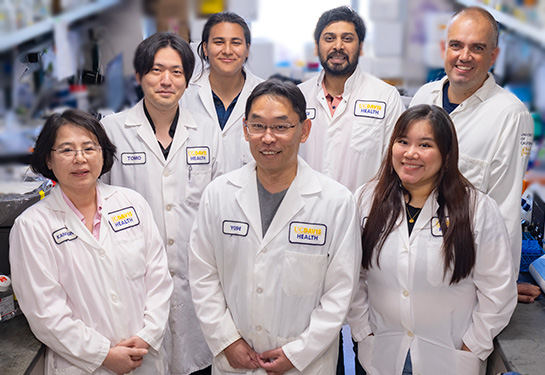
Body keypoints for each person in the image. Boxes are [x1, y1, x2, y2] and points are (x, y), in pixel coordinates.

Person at [189, 79, 361, 375]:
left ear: (304, 131)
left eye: (281, 126)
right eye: (258, 126)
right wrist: (226, 340)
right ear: (245, 130)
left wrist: (299, 353)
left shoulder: (335, 201)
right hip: (236, 361)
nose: (268, 138)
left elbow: (341, 292)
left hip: (305, 364)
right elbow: (203, 274)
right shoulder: (219, 195)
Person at [348, 104, 517, 375]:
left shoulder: (477, 209)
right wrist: (362, 331)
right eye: (403, 142)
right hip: (381, 351)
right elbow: (353, 276)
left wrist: (472, 346)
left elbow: (498, 291)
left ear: (447, 155)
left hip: (448, 357)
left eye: (425, 145)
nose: (411, 153)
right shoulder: (366, 200)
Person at [10, 110, 173, 375]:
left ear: (102, 153)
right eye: (66, 150)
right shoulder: (32, 226)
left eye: (89, 147)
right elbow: (45, 313)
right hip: (82, 366)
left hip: (144, 359)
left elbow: (158, 280)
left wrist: (147, 336)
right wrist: (103, 355)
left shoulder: (132, 204)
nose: (80, 159)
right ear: (48, 159)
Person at [101, 32, 224, 375]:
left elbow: (219, 205)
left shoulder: (207, 131)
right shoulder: (112, 130)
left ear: (187, 79)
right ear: (139, 76)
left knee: (194, 362)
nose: (166, 81)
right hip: (133, 278)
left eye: (177, 72)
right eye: (156, 70)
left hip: (195, 276)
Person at [409, 7, 540, 302]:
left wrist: (498, 285)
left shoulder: (510, 115)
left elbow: (504, 210)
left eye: (477, 48)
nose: (464, 56)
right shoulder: (424, 97)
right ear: (445, 48)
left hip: (462, 276)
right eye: (456, 45)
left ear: (493, 56)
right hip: (408, 265)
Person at [298, 6, 405, 193]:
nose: (338, 46)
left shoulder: (385, 97)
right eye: (329, 38)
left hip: (363, 214)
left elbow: (397, 165)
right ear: (317, 46)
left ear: (361, 47)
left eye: (347, 39)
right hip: (305, 215)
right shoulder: (298, 97)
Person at [182, 12, 263, 172]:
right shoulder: (184, 94)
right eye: (219, 42)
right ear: (205, 48)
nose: (227, 50)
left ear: (247, 49)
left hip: (249, 194)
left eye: (236, 43)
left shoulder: (265, 95)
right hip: (198, 195)